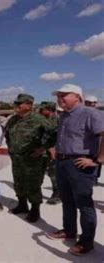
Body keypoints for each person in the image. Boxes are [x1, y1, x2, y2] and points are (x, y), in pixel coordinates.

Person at [47, 85, 104, 256]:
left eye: (64, 95)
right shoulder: (64, 116)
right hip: (62, 162)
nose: (60, 99)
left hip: (80, 164)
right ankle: (69, 230)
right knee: (67, 200)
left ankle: (86, 242)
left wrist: (98, 160)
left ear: (77, 96)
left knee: (84, 204)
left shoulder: (90, 113)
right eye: (58, 96)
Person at [4, 94, 56, 222]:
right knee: (18, 183)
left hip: (32, 160)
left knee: (33, 185)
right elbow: (7, 134)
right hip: (16, 159)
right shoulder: (13, 119)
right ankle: (22, 205)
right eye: (16, 103)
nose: (16, 106)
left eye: (19, 103)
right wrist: (11, 149)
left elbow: (54, 133)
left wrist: (43, 148)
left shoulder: (38, 119)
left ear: (28, 105)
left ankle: (35, 210)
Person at [38, 102, 60, 205]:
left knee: (53, 173)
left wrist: (54, 148)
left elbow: (60, 136)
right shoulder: (41, 120)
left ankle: (57, 194)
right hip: (41, 150)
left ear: (49, 109)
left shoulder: (59, 120)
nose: (40, 111)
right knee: (38, 172)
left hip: (53, 151)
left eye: (42, 109)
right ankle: (36, 192)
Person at [84, 95, 101, 184]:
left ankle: (94, 178)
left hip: (97, 141)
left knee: (96, 159)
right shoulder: (82, 113)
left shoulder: (99, 114)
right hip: (85, 143)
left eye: (94, 103)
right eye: (90, 103)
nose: (92, 105)